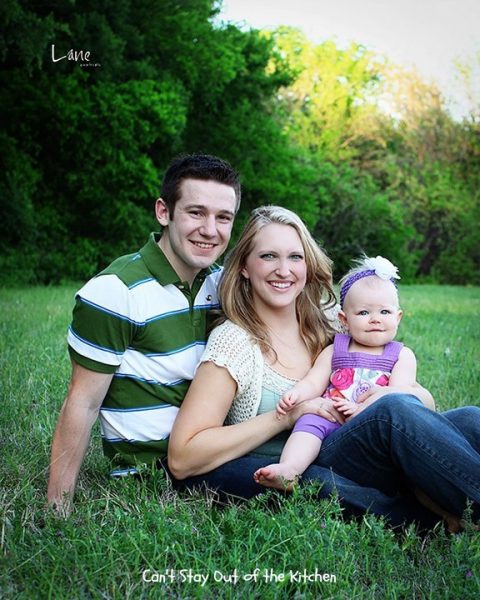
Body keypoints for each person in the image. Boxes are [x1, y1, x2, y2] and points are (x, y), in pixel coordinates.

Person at [169, 205, 480, 530]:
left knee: (471, 419)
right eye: (268, 256)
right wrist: (287, 416)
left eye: (295, 257)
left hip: (365, 443)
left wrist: (393, 396)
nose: (284, 270)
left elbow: (417, 403)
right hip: (310, 460)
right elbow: (182, 458)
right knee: (392, 411)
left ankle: (449, 505)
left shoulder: (330, 322)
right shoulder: (233, 342)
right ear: (245, 267)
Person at [47, 153, 241, 515]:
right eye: (196, 212)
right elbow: (83, 403)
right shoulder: (115, 291)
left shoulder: (223, 285)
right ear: (164, 212)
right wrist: (57, 508)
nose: (210, 230)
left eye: (223, 217)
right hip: (156, 472)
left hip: (220, 447)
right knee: (316, 485)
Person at [253, 255, 411, 489]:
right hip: (330, 418)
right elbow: (314, 381)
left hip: (370, 425)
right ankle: (290, 469)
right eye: (364, 313)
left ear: (398, 317)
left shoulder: (400, 355)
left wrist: (361, 409)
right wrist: (296, 394)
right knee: (308, 422)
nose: (375, 319)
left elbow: (398, 397)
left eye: (385, 312)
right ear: (344, 320)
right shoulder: (335, 349)